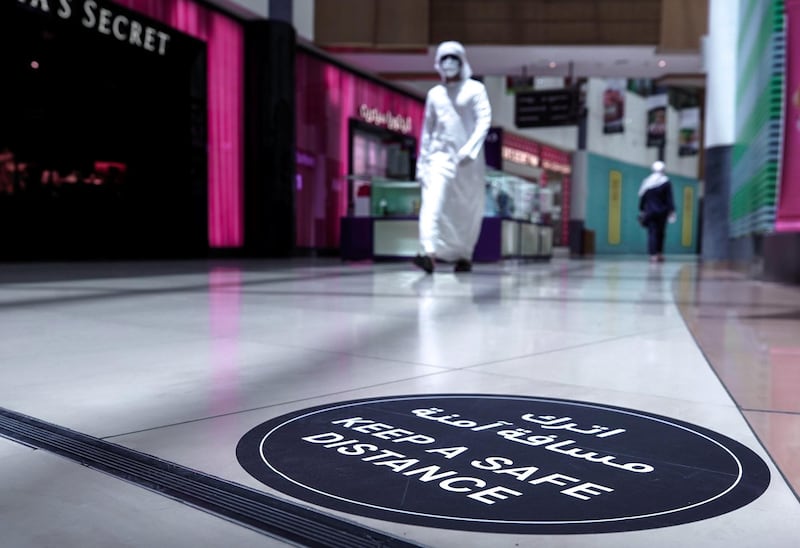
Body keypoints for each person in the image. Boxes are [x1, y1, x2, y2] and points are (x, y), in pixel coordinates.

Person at [413, 41, 492, 274]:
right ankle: (428, 252)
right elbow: (427, 131)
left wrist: (470, 149)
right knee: (432, 204)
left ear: (461, 61)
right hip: (439, 159)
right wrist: (421, 163)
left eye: (453, 58)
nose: (448, 63)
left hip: (469, 164)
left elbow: (484, 120)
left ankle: (464, 255)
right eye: (444, 58)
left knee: (466, 210)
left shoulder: (475, 90)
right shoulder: (435, 95)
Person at [638, 160, 675, 262]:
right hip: (662, 212)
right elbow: (669, 198)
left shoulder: (647, 182)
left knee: (652, 233)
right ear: (663, 170)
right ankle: (659, 253)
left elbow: (642, 198)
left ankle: (652, 255)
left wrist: (641, 210)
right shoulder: (666, 182)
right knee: (661, 233)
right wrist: (671, 211)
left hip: (650, 212)